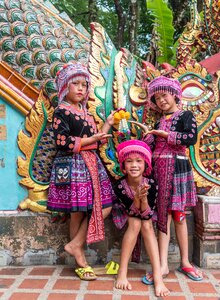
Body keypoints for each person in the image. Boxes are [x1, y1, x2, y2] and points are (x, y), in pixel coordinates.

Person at [47, 63, 115, 281]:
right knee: (76, 211)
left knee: (104, 206)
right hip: (73, 163)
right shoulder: (61, 111)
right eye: (75, 84)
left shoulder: (85, 113)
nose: (80, 89)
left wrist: (107, 125)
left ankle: (76, 245)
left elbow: (95, 140)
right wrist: (91, 140)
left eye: (84, 85)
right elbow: (62, 141)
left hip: (91, 163)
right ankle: (80, 260)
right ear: (65, 86)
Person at [142, 75, 203, 282]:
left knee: (179, 215)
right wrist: (148, 137)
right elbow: (151, 147)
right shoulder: (158, 121)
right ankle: (163, 265)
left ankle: (185, 262)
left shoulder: (186, 115)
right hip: (159, 170)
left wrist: (166, 135)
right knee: (162, 217)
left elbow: (190, 138)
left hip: (177, 167)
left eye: (164, 95)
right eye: (157, 98)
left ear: (175, 96)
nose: (161, 101)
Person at [112, 140, 170, 297]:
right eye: (129, 161)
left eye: (139, 161)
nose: (134, 165)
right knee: (135, 224)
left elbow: (147, 214)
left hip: (146, 214)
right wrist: (136, 197)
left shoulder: (151, 184)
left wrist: (142, 199)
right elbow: (131, 211)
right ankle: (122, 272)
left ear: (146, 165)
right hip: (127, 213)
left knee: (146, 225)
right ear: (123, 166)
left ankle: (158, 277)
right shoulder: (119, 186)